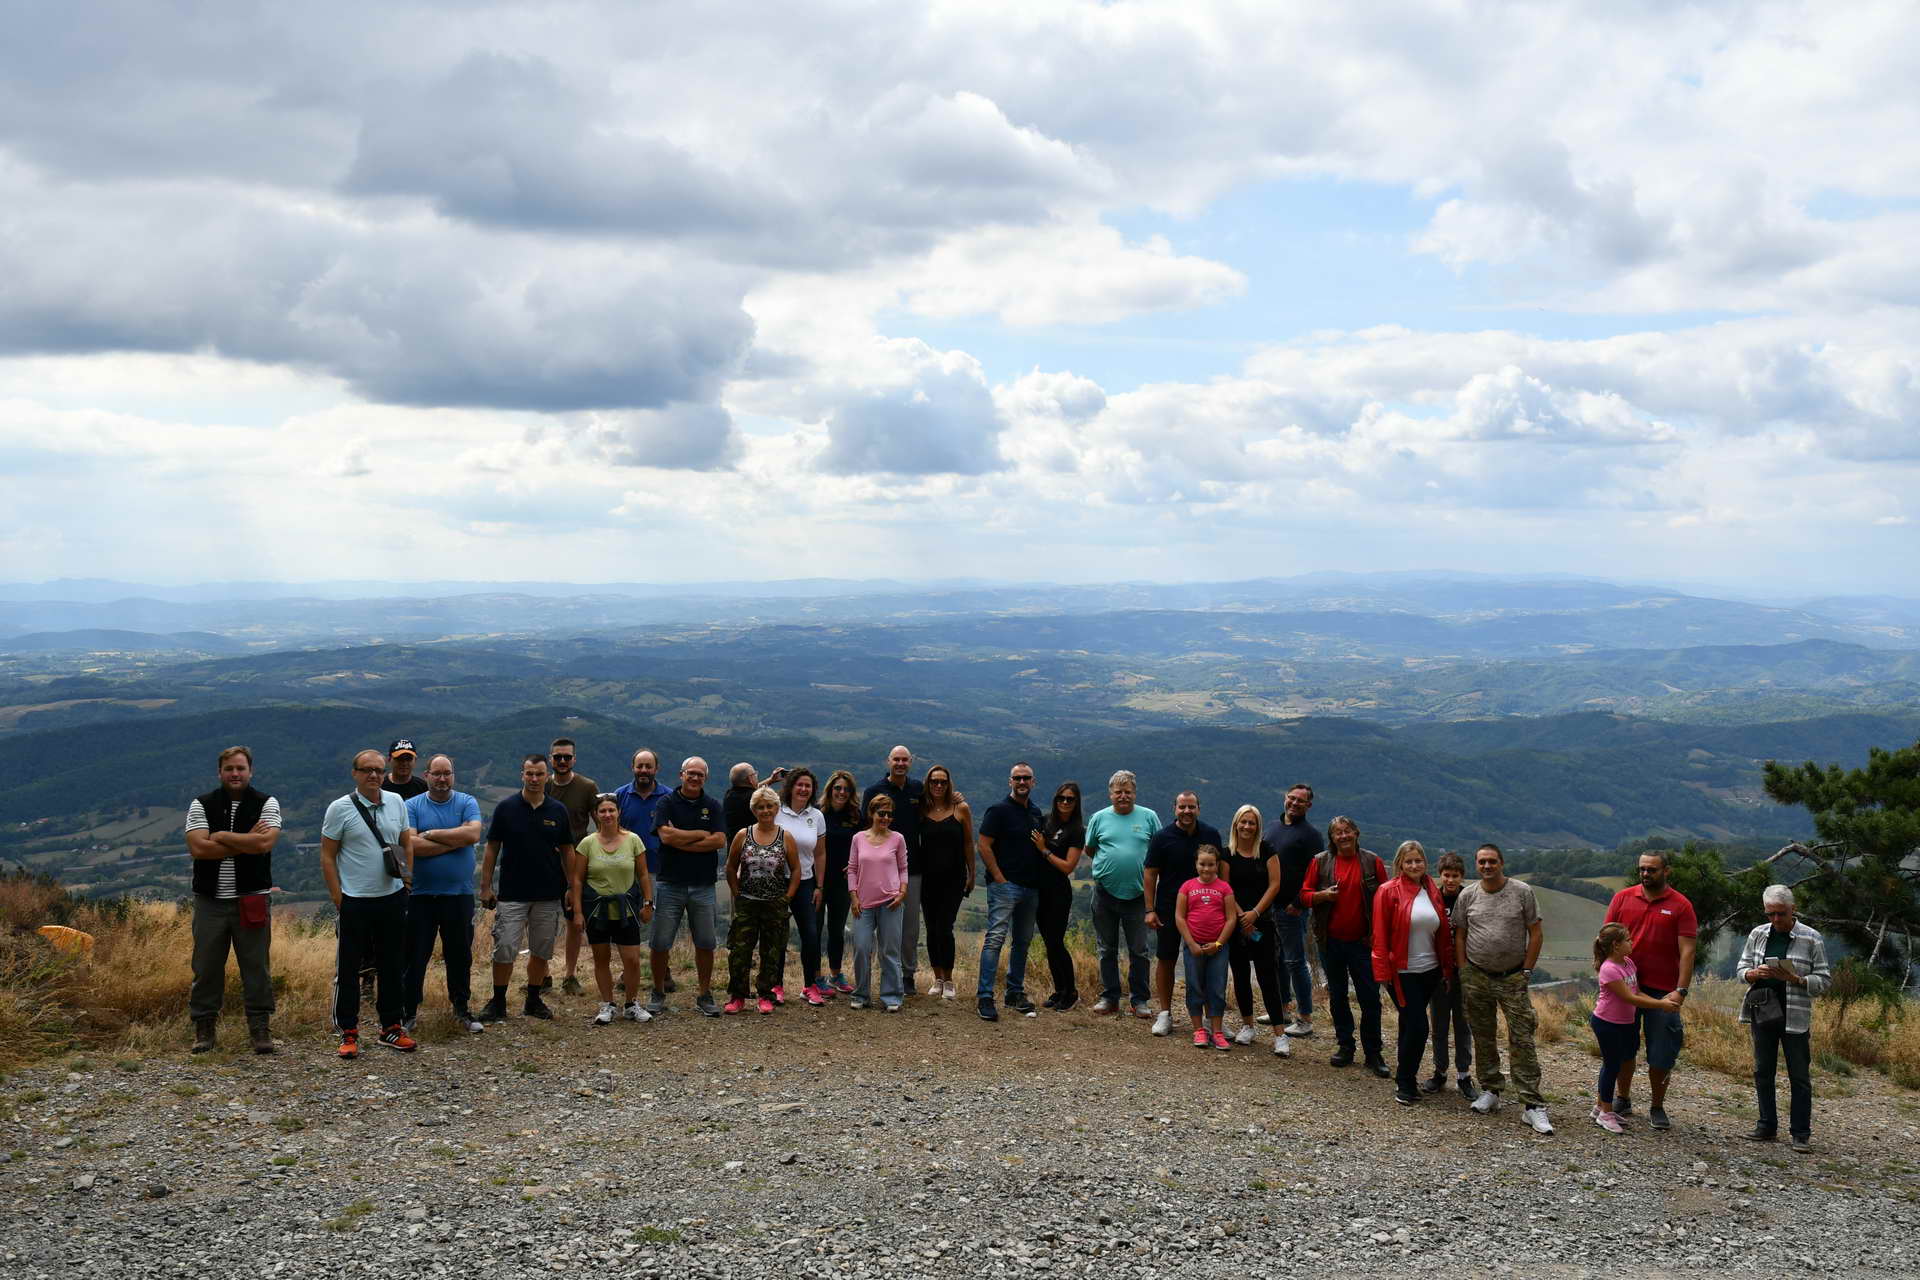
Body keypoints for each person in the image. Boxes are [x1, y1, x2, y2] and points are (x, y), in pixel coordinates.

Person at [184, 745, 281, 1054]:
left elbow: (264, 844)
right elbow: (199, 849)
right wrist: (246, 840)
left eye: (241, 768)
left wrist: (221, 836)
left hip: (252, 898)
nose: (235, 773)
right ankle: (204, 1028)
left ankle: (260, 1029)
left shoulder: (267, 802)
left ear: (250, 771)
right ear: (220, 772)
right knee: (206, 967)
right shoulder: (201, 804)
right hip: (210, 901)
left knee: (256, 968)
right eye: (229, 769)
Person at [318, 749, 416, 1057]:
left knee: (392, 966)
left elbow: (406, 843)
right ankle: (348, 1032)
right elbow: (327, 855)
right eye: (366, 770)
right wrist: (338, 898)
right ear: (355, 773)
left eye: (378, 770)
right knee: (349, 969)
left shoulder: (396, 802)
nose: (373, 775)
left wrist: (407, 882)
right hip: (355, 901)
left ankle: (391, 1027)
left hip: (392, 898)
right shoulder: (339, 809)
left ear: (384, 773)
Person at [1453, 842, 1551, 1133]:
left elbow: (1536, 933)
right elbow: (1460, 934)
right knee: (1483, 1035)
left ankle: (1532, 1105)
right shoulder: (1468, 895)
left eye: (1492, 861)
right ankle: (1491, 1090)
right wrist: (1464, 970)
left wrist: (1527, 970)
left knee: (1522, 1039)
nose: (1487, 866)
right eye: (1482, 861)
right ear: (1476, 864)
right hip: (1477, 976)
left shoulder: (1522, 892)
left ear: (1502, 863)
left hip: (1512, 977)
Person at [476, 753, 576, 1022]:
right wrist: (485, 886)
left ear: (546, 776)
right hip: (512, 893)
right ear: (522, 775)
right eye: (529, 773)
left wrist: (571, 887)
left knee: (541, 950)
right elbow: (492, 848)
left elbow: (568, 851)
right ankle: (498, 1001)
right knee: (505, 948)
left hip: (548, 893)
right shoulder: (505, 808)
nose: (534, 779)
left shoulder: (557, 810)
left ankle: (533, 999)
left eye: (539, 774)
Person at [1603, 850, 1698, 1132]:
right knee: (1624, 1048)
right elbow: (1606, 938)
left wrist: (1681, 990)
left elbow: (1688, 951)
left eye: (1652, 870)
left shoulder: (1682, 905)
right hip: (1626, 986)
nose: (1645, 874)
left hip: (1663, 991)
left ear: (1666, 871)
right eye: (1642, 869)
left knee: (1662, 1052)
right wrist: (1606, 974)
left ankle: (1657, 1106)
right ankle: (1623, 1098)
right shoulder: (1622, 898)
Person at [1737, 885, 1832, 1152]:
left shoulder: (1812, 938)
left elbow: (1824, 981)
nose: (1776, 919)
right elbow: (1742, 968)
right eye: (1771, 914)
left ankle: (1800, 1133)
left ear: (1793, 909)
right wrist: (1753, 974)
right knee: (1762, 1071)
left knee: (1799, 1076)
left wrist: (1796, 979)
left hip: (1795, 1015)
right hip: (1763, 1010)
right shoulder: (1758, 934)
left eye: (1781, 913)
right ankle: (1766, 1125)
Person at [1298, 815, 1389, 1075]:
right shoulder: (1320, 861)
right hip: (1331, 942)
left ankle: (1373, 1053)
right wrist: (1323, 895)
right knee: (1338, 996)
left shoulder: (1372, 861)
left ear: (1356, 833)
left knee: (1370, 998)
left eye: (1347, 831)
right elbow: (1304, 895)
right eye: (1338, 832)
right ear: (1332, 837)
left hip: (1363, 943)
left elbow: (1385, 899)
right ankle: (1345, 1046)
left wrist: (1378, 935)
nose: (1343, 836)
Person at [403, 755, 485, 1035]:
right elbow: (411, 845)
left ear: (453, 775)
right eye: (436, 773)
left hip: (458, 895)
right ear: (426, 775)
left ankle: (461, 1009)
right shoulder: (412, 805)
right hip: (420, 896)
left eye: (446, 773)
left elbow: (473, 835)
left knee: (460, 956)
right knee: (414, 957)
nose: (441, 779)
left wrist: (431, 834)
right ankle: (408, 1011)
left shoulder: (467, 802)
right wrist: (455, 840)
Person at [1371, 841, 1455, 1106]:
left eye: (1418, 860)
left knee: (1409, 1024)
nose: (1414, 865)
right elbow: (1379, 935)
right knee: (1419, 1027)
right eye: (1408, 861)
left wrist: (1446, 969)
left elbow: (1442, 934)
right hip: (1402, 972)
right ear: (1400, 864)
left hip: (1430, 970)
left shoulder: (1431, 890)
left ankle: (1404, 1077)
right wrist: (1382, 973)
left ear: (1425, 863)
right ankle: (1405, 1082)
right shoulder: (1387, 891)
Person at [648, 757, 726, 1017]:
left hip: (703, 885)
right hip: (670, 883)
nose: (695, 778)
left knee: (705, 942)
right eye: (690, 773)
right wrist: (700, 835)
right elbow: (665, 836)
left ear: (706, 778)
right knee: (660, 942)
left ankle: (704, 994)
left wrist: (679, 838)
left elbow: (719, 841)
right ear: (681, 775)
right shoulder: (666, 802)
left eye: (700, 775)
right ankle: (657, 992)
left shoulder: (713, 806)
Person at [1143, 792, 1223, 1036]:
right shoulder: (1162, 837)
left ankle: (1210, 1019)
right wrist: (1149, 909)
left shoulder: (1211, 834)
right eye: (1182, 807)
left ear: (1199, 808)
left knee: (1206, 961)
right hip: (1168, 907)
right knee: (1166, 958)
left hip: (1206, 908)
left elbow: (1221, 870)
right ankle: (1165, 1013)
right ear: (1174, 809)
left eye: (1191, 807)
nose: (1187, 811)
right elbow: (1150, 873)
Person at [1589, 923, 1680, 1134]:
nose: (1632, 942)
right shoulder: (1609, 969)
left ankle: (1599, 1108)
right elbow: (1629, 998)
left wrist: (1662, 1003)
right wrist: (1661, 1005)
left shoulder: (1628, 963)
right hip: (1607, 1023)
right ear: (1616, 945)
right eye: (1628, 940)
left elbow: (1637, 991)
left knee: (1614, 1064)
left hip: (1623, 1023)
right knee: (1611, 1066)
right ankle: (1606, 1114)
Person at [572, 793, 655, 1025]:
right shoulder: (587, 844)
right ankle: (607, 1004)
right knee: (601, 958)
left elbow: (643, 874)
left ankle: (631, 1004)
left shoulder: (633, 840)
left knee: (632, 960)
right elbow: (577, 880)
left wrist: (648, 903)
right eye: (603, 811)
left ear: (619, 813)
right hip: (597, 910)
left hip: (626, 909)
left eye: (611, 810)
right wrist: (577, 912)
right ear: (596, 815)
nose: (607, 815)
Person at [1082, 770, 1159, 1018]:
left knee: (1139, 950)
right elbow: (1090, 849)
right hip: (1104, 893)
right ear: (1110, 794)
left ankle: (1140, 1000)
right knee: (1107, 949)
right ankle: (1110, 997)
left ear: (1135, 793)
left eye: (1127, 792)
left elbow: (1158, 850)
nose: (1123, 796)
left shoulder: (1149, 817)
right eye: (1118, 792)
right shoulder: (1099, 818)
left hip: (1139, 895)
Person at [975, 763, 1048, 1022]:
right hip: (1005, 887)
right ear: (1010, 782)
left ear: (1033, 782)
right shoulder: (998, 810)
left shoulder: (1036, 813)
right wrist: (998, 877)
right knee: (995, 940)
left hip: (1030, 888)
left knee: (1022, 942)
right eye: (1017, 778)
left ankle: (1014, 993)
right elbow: (983, 845)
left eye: (1026, 778)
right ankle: (985, 996)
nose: (1022, 782)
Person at [724, 786, 802, 1014]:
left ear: (776, 808)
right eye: (760, 807)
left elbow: (796, 869)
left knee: (772, 952)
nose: (765, 810)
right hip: (747, 902)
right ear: (754, 810)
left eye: (769, 806)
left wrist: (788, 897)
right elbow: (730, 867)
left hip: (775, 903)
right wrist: (736, 893)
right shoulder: (743, 835)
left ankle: (765, 995)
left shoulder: (785, 837)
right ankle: (737, 996)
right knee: (739, 952)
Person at [1222, 804, 1287, 1055]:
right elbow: (1226, 887)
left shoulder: (1267, 850)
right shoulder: (1227, 853)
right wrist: (1242, 917)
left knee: (1268, 977)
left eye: (1252, 822)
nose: (1247, 827)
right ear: (1235, 824)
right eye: (1243, 821)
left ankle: (1280, 1034)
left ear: (1258, 826)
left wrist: (1255, 914)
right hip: (1237, 923)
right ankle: (1247, 1026)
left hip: (1264, 922)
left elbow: (1275, 884)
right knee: (1240, 976)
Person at [864, 747, 927, 995]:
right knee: (882, 926)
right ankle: (887, 974)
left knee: (909, 926)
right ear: (888, 761)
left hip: (912, 867)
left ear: (911, 762)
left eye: (904, 760)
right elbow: (864, 829)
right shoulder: (873, 791)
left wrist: (955, 799)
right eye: (896, 759)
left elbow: (934, 810)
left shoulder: (918, 790)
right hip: (879, 869)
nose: (900, 763)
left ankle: (907, 975)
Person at [1261, 782, 1321, 1039]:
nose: (1294, 803)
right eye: (1291, 798)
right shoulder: (1272, 827)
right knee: (1277, 960)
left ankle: (1305, 1018)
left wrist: (1298, 903)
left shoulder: (1310, 835)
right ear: (1285, 798)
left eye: (1300, 801)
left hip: (1291, 908)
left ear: (1309, 805)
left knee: (1295, 962)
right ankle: (1282, 1009)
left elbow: (1315, 874)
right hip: (1269, 905)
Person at [546, 737, 599, 996]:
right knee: (542, 919)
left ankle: (569, 975)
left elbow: (601, 822)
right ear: (551, 759)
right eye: (558, 757)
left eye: (567, 757)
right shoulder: (542, 784)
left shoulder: (587, 787)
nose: (562, 761)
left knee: (574, 922)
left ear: (574, 759)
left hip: (577, 862)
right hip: (545, 862)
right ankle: (542, 974)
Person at [847, 792, 909, 1010]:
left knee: (889, 951)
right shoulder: (858, 838)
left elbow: (903, 868)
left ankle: (892, 996)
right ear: (872, 813)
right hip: (863, 904)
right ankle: (861, 994)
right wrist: (853, 897)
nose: (886, 818)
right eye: (882, 813)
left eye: (890, 814)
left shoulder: (898, 839)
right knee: (861, 948)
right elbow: (852, 869)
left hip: (891, 902)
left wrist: (902, 892)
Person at [918, 765, 974, 1001]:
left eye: (942, 781)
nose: (938, 785)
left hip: (954, 878)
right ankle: (937, 978)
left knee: (944, 927)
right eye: (934, 781)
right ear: (928, 783)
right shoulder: (921, 809)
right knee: (931, 928)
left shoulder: (961, 808)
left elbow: (968, 843)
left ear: (949, 783)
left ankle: (949, 979)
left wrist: (972, 873)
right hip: (927, 878)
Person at [775, 768, 829, 1006]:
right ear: (790, 787)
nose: (804, 789)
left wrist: (820, 886)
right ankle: (776, 985)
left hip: (806, 881)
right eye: (799, 784)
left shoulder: (816, 816)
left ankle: (809, 986)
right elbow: (753, 800)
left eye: (808, 785)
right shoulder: (776, 810)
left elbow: (820, 853)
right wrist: (770, 780)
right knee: (778, 935)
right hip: (777, 881)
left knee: (810, 935)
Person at [1176, 846, 1239, 1050]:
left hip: (1218, 948)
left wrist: (1219, 943)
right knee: (1194, 986)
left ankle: (1217, 1031)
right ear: (1196, 864)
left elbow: (1231, 918)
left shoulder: (1224, 888)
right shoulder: (1187, 887)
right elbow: (1180, 917)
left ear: (1217, 865)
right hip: (1193, 947)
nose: (1206, 868)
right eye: (1202, 864)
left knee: (1217, 988)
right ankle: (1199, 1030)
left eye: (1211, 864)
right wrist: (1191, 943)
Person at [1424, 851, 1473, 1097]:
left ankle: (1464, 1074)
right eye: (1446, 875)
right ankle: (1440, 1071)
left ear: (1462, 876)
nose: (1450, 880)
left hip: (1464, 970)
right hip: (1438, 971)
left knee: (1463, 1025)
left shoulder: (1470, 898)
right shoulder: (1433, 898)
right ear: (1440, 875)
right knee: (1439, 1025)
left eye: (1455, 876)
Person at [1035, 781, 1085, 1012]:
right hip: (1040, 889)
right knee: (1049, 943)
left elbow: (1068, 867)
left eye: (1070, 799)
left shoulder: (1077, 830)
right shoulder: (1045, 821)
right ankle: (1059, 990)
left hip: (1058, 892)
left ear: (1076, 803)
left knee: (1056, 942)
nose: (1065, 802)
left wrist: (1044, 850)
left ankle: (1071, 992)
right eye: (1061, 798)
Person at [818, 770, 863, 995]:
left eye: (846, 789)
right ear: (830, 790)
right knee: (814, 929)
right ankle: (815, 977)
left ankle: (835, 975)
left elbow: (866, 843)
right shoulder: (817, 813)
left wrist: (857, 865)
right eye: (837, 788)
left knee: (836, 930)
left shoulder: (856, 816)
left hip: (842, 882)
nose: (842, 792)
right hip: (817, 880)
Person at [722, 763, 759, 846]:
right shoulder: (755, 799)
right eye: (755, 774)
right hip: (753, 849)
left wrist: (770, 780)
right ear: (750, 779)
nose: (757, 776)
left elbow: (752, 790)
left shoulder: (729, 795)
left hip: (733, 848)